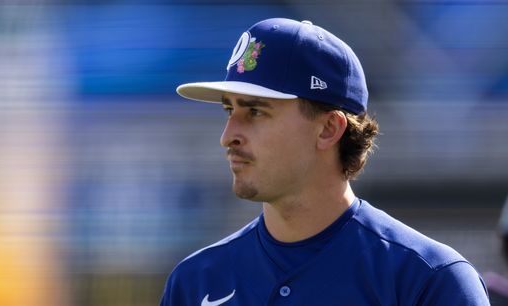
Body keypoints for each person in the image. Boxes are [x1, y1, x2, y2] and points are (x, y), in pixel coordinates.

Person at [160, 18, 490, 306]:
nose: (228, 135)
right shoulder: (194, 282)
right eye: (229, 111)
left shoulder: (426, 280)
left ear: (329, 128)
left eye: (256, 111)